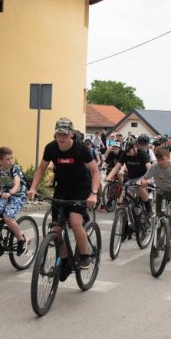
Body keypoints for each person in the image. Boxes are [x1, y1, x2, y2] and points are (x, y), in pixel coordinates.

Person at [28, 118, 100, 277]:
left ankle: (84, 256)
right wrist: (33, 188)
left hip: (80, 188)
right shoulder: (51, 148)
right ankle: (65, 261)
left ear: (71, 134)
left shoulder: (81, 149)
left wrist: (93, 193)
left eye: (64, 135)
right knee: (56, 229)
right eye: (58, 134)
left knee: (75, 222)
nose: (61, 138)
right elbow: (41, 169)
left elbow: (95, 171)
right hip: (62, 189)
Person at [107, 136, 152, 216]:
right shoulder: (125, 154)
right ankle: (125, 222)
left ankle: (148, 207)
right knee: (122, 201)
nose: (127, 153)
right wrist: (109, 176)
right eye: (125, 151)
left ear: (134, 147)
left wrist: (146, 179)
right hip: (131, 179)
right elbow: (117, 167)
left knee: (140, 186)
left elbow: (150, 168)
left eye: (128, 151)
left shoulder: (142, 154)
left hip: (143, 177)